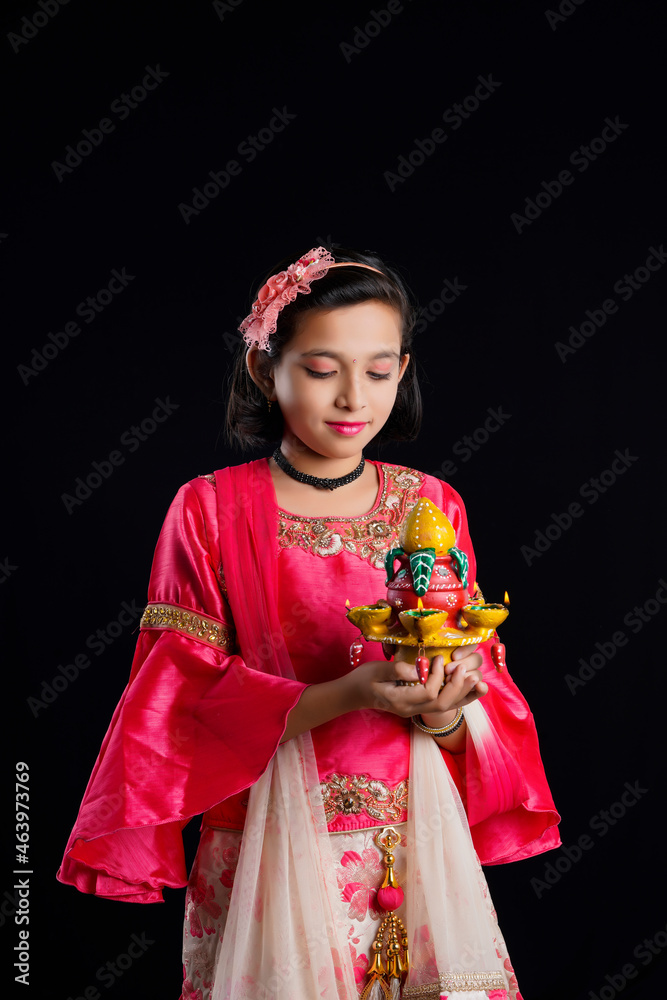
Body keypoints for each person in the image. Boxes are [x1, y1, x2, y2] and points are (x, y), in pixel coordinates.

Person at [58, 245, 560, 1000]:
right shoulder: (210, 509)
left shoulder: (431, 506)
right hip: (265, 840)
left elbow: (474, 688)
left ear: (404, 368)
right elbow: (179, 699)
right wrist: (352, 692)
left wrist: (446, 708)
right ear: (266, 369)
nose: (353, 396)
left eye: (380, 369)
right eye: (322, 369)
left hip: (414, 841)